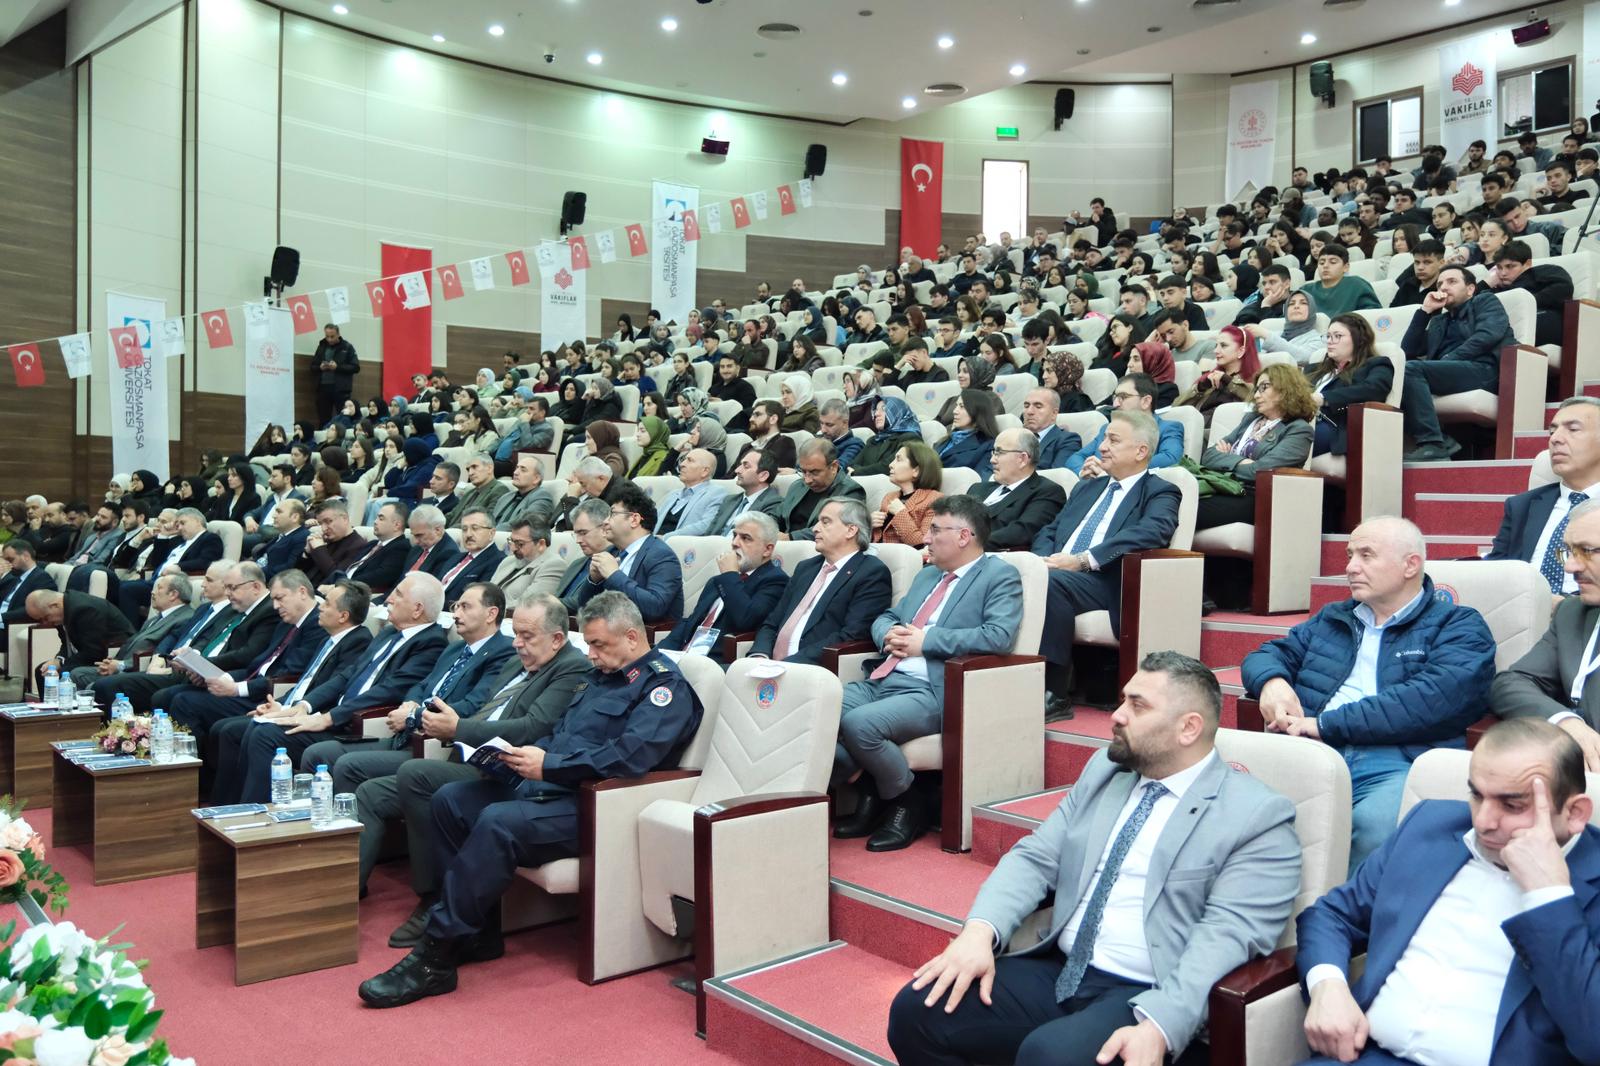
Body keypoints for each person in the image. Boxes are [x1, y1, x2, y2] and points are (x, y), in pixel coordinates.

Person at [886, 652, 1300, 1066]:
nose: (1117, 715)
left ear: (1188, 728)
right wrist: (979, 932)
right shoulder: (1106, 770)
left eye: (1138, 706)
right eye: (1122, 700)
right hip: (1061, 968)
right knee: (916, 1012)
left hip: (1146, 991)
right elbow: (1036, 857)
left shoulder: (1255, 815)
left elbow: (1227, 936)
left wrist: (1161, 1024)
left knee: (1049, 1056)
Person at [356, 591, 704, 1008]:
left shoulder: (663, 688)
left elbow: (630, 758)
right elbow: (561, 734)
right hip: (549, 787)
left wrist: (550, 765)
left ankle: (435, 956)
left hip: (595, 806)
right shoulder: (600, 677)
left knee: (498, 822)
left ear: (632, 637)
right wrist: (521, 756)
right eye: (589, 644)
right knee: (451, 800)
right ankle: (479, 935)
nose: (590, 654)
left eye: (598, 645)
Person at [1295, 718, 1600, 1066]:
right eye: (1477, 795)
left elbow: (1593, 1040)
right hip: (1365, 1056)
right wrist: (1327, 985)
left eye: (1512, 805)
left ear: (1574, 813)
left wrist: (1549, 896)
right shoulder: (1431, 826)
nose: (1483, 821)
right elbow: (1332, 914)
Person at [1241, 516, 1496, 870]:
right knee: (1242, 811)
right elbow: (1267, 654)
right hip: (1308, 749)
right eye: (1350, 555)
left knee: (1375, 827)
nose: (1350, 567)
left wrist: (1325, 725)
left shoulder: (1457, 624)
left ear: (1410, 565)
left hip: (1395, 758)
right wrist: (1272, 683)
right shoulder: (1335, 618)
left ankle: (1342, 905)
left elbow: (1429, 699)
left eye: (1366, 555)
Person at [358, 592, 591, 940]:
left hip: (506, 771)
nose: (517, 643)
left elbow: (533, 727)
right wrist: (444, 724)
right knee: (370, 791)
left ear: (557, 639)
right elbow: (484, 712)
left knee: (415, 775)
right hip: (466, 756)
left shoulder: (572, 667)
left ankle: (435, 896)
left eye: (527, 636)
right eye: (516, 634)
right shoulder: (518, 661)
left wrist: (458, 729)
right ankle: (343, 887)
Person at [833, 496, 1023, 851]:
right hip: (887, 675)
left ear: (964, 536)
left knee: (860, 725)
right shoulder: (928, 575)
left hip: (933, 689)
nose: (926, 537)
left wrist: (928, 641)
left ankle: (907, 801)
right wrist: (888, 634)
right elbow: (888, 616)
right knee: (818, 711)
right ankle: (872, 788)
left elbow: (999, 636)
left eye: (935, 530)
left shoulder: (999, 576)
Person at [217, 573, 452, 802]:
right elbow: (345, 676)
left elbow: (388, 690)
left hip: (360, 725)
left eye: (398, 594)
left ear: (417, 609)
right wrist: (304, 706)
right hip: (336, 715)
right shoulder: (388, 633)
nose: (388, 599)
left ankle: (258, 814)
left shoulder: (431, 643)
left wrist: (328, 718)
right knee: (258, 726)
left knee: (266, 736)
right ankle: (237, 808)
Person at [1033, 411, 1182, 717]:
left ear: (1141, 451)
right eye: (1103, 438)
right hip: (1059, 570)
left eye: (1113, 440)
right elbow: (1050, 529)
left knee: (1050, 583)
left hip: (1108, 579)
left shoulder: (1160, 490)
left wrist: (1083, 560)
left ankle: (1054, 692)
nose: (1101, 447)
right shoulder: (1087, 487)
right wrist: (1040, 561)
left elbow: (1152, 531)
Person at [301, 581, 516, 786]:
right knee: (319, 753)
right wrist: (410, 703)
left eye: (465, 607)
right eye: (456, 606)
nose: (456, 614)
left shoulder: (503, 652)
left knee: (349, 765)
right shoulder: (455, 648)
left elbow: (473, 705)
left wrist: (415, 715)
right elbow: (422, 685)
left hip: (436, 745)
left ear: (491, 614)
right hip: (406, 736)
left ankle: (345, 814)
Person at [162, 568, 332, 746]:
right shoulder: (286, 623)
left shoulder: (317, 625)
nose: (275, 606)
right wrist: (221, 678)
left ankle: (191, 761)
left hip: (270, 696)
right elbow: (258, 665)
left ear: (302, 592)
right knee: (179, 697)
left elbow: (287, 675)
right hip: (255, 686)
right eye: (273, 600)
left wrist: (236, 689)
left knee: (188, 704)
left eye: (279, 598)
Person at [1492, 496, 1600, 768]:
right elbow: (1510, 684)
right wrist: (1565, 721)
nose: (1570, 567)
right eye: (1569, 552)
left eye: (1586, 551)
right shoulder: (1573, 613)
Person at [1398, 264, 1519, 461]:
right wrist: (1425, 311)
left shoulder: (1484, 301)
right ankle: (1442, 440)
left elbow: (1487, 335)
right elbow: (1407, 351)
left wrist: (1447, 360)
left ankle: (1433, 442)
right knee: (1393, 372)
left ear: (1470, 289)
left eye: (1452, 281)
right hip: (1452, 373)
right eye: (1439, 284)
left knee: (1410, 369)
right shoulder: (1439, 321)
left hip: (1485, 370)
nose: (1444, 287)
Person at [751, 499, 892, 664]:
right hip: (769, 664)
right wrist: (760, 654)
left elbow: (852, 635)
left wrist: (789, 664)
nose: (815, 528)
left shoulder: (871, 573)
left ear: (851, 530)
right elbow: (772, 622)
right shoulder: (806, 568)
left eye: (825, 522)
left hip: (811, 667)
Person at [1484, 396, 1600, 597]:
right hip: (1523, 607)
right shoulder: (1521, 506)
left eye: (1573, 429)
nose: (1555, 439)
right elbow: (1496, 571)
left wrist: (1567, 607)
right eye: (1552, 432)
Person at [1193, 364, 1317, 531]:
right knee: (1174, 498)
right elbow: (1209, 456)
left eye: (1264, 387)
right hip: (1224, 487)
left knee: (1186, 507)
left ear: (1285, 389)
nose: (1257, 395)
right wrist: (1243, 461)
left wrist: (1228, 459)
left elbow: (1261, 472)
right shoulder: (1250, 420)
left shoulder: (1299, 430)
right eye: (1257, 389)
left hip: (1257, 497)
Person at [659, 512, 789, 664]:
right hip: (684, 656)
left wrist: (729, 574)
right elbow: (691, 621)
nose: (734, 543)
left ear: (767, 549)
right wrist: (659, 653)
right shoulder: (718, 581)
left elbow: (745, 620)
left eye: (745, 538)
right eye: (734, 535)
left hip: (716, 663)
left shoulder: (775, 581)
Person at [65, 572, 193, 691]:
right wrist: (113, 662)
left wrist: (121, 665)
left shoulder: (185, 618)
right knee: (76, 673)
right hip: (123, 667)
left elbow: (161, 651)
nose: (152, 592)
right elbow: (132, 642)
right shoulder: (155, 619)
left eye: (159, 588)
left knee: (85, 680)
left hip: (138, 671)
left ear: (173, 594)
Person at [575, 483, 683, 625]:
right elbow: (583, 608)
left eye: (612, 514)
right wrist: (594, 581)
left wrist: (614, 574)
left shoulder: (661, 555)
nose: (605, 522)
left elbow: (655, 608)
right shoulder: (611, 552)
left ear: (634, 520)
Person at [1305, 314, 1395, 456]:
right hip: (1300, 422)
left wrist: (1323, 398)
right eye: (1328, 336)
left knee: (1288, 437)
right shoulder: (1313, 370)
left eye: (1337, 336)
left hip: (1333, 427)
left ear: (1359, 339)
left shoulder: (1376, 364)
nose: (1330, 341)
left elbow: (1373, 390)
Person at [115, 508, 223, 623]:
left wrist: (179, 567)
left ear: (197, 521)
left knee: (127, 589)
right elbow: (156, 563)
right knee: (116, 586)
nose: (179, 528)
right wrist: (163, 535)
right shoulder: (182, 541)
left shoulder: (210, 538)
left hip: (173, 584)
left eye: (182, 523)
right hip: (155, 581)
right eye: (178, 524)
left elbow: (206, 561)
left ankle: (129, 630)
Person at [966, 429, 1068, 551]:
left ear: (1022, 459)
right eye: (993, 452)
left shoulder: (1047, 492)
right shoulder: (978, 488)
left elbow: (1021, 532)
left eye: (999, 452)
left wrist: (967, 543)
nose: (992, 460)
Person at [1068, 375, 1186, 474]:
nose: (1115, 404)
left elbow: (1171, 458)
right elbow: (1075, 458)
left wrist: (1114, 469)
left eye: (1123, 397)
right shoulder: (1107, 429)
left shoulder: (1168, 428)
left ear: (1146, 401)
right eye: (1115, 397)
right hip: (1095, 487)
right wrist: (1086, 472)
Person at [26, 589, 136, 684]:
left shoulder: (85, 610)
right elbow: (67, 644)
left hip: (113, 655)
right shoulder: (63, 610)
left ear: (54, 605)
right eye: (40, 620)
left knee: (61, 673)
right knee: (43, 671)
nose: (45, 623)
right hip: (88, 653)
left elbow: (94, 652)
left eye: (45, 618)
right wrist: (59, 659)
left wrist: (61, 663)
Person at [1488, 239, 1574, 347]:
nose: (1503, 273)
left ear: (1527, 264)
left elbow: (1564, 288)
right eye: (1499, 268)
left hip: (1542, 321)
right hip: (1511, 328)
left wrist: (1526, 302)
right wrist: (1487, 283)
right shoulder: (1500, 288)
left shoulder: (1543, 271)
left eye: (1510, 266)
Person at [1174, 325, 1262, 429]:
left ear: (1241, 350)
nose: (1216, 350)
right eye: (1216, 346)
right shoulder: (1210, 377)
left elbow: (1257, 401)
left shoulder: (1259, 379)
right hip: (1198, 429)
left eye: (1223, 346)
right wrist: (1200, 388)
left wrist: (1228, 381)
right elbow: (1176, 408)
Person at [780, 439, 866, 541]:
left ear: (833, 467)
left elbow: (834, 528)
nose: (807, 480)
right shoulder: (798, 485)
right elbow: (778, 514)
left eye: (814, 472)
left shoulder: (851, 491)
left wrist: (790, 537)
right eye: (803, 471)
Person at [871, 441, 944, 547]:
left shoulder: (935, 499)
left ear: (916, 471)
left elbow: (923, 543)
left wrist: (900, 513)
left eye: (898, 459)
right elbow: (876, 538)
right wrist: (870, 526)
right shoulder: (889, 497)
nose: (890, 465)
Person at [332, 501, 409, 594]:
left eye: (381, 519)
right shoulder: (372, 544)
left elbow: (380, 576)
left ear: (396, 525)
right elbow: (350, 567)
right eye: (376, 518)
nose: (375, 522)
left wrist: (342, 585)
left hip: (354, 592)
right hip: (341, 584)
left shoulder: (401, 547)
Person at [437, 510, 505, 607]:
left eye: (475, 528)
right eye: (464, 529)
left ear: (491, 533)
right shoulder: (455, 557)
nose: (468, 534)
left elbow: (479, 600)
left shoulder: (498, 561)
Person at [708, 449, 784, 536]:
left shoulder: (774, 504)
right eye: (740, 465)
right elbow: (709, 533)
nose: (737, 470)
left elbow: (759, 537)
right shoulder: (729, 500)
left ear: (763, 476)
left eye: (746, 466)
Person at [653, 449, 723, 538]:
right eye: (684, 460)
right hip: (653, 541)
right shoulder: (673, 494)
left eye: (690, 460)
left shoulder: (715, 493)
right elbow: (654, 520)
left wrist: (666, 537)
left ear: (705, 471)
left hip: (680, 544)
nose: (682, 464)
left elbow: (706, 525)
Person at [850, 397, 925, 477]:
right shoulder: (874, 440)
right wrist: (856, 471)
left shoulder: (911, 438)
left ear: (897, 412)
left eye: (883, 409)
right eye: (876, 410)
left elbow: (888, 467)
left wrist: (857, 472)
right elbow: (852, 465)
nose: (876, 414)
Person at [938, 390, 1000, 480]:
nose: (955, 411)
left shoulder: (989, 446)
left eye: (962, 406)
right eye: (956, 405)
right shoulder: (945, 440)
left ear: (977, 411)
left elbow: (979, 480)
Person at [1307, 244, 1381, 317]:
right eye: (1321, 263)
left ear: (1346, 267)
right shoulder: (1307, 290)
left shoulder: (1357, 285)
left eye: (1333, 262)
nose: (1325, 266)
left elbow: (1373, 313)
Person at [312, 324, 360, 426]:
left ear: (338, 334)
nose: (329, 339)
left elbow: (355, 367)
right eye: (327, 336)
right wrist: (320, 367)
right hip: (323, 388)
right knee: (323, 419)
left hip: (341, 390)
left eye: (332, 336)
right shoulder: (321, 346)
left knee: (343, 417)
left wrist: (337, 367)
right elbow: (312, 366)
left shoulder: (347, 347)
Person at [491, 454, 554, 533]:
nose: (515, 472)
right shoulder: (505, 497)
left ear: (536, 479)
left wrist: (490, 532)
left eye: (523, 470)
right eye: (516, 468)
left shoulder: (542, 496)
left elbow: (525, 524)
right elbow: (490, 521)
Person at [0, 540, 55, 630]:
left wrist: (2, 617)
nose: (8, 564)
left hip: (12, 626)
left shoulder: (42, 579)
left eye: (11, 560)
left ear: (26, 556)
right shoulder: (13, 577)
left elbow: (36, 609)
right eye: (6, 560)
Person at [448, 456, 510, 529]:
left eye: (474, 467)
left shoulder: (500, 490)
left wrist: (451, 530)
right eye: (468, 469)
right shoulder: (469, 492)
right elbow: (451, 515)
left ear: (489, 468)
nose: (470, 473)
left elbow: (488, 520)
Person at [816, 399, 863, 469]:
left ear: (845, 423)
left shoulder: (855, 445)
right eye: (821, 423)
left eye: (829, 425)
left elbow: (836, 469)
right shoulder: (817, 440)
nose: (823, 430)